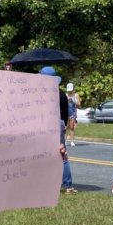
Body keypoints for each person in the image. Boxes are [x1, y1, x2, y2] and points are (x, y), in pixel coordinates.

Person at [40, 66, 77, 195]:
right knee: (62, 154)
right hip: (58, 124)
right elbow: (66, 112)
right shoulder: (61, 93)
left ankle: (45, 183)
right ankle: (68, 185)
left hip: (43, 124)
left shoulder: (39, 93)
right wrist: (64, 126)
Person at [65, 82, 80, 147]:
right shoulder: (66, 95)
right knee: (66, 127)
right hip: (66, 112)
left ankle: (72, 141)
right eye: (69, 90)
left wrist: (74, 101)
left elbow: (79, 104)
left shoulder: (76, 95)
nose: (70, 92)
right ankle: (65, 140)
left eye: (71, 90)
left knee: (71, 126)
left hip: (73, 113)